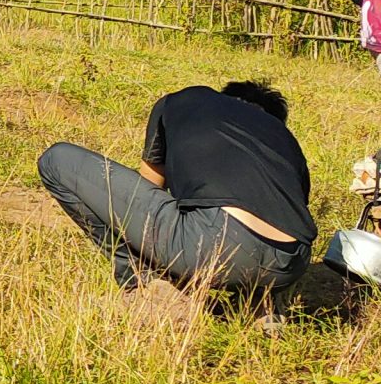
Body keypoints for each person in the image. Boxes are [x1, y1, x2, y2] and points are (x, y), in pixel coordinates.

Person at [37, 82, 314, 298]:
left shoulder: (186, 100)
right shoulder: (287, 142)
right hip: (292, 266)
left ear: (226, 98)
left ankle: (143, 284)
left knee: (56, 159)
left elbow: (148, 189)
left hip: (213, 248)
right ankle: (263, 304)